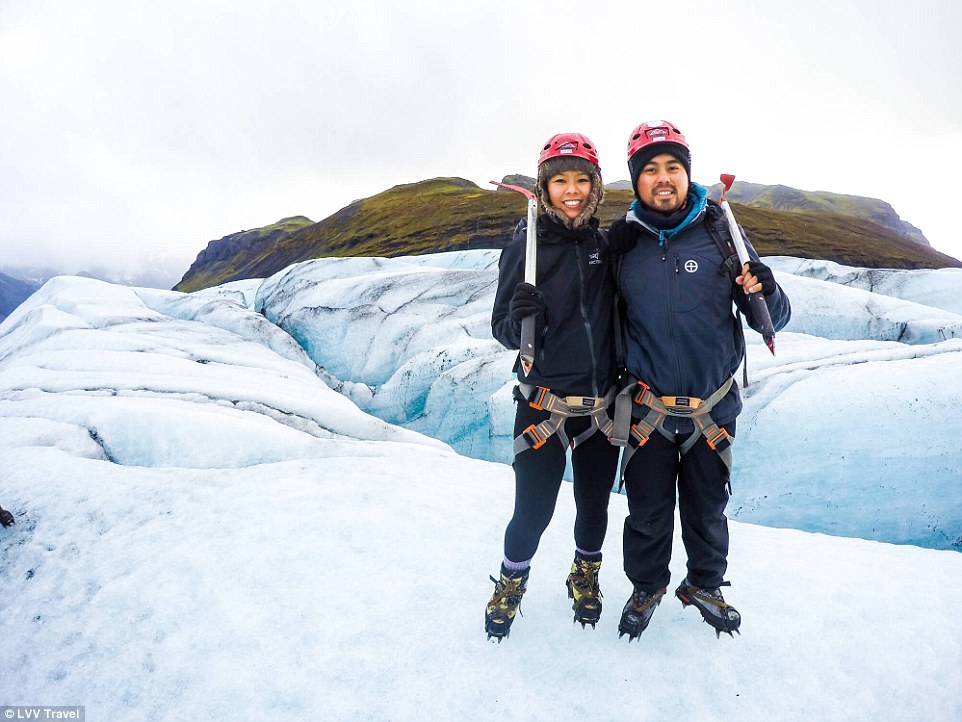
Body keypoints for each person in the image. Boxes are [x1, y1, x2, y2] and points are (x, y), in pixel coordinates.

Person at [608, 120, 791, 640]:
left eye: (673, 168)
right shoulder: (623, 246)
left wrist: (769, 290)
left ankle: (704, 584)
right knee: (646, 512)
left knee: (708, 509)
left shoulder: (720, 233)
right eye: (650, 170)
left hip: (712, 408)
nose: (663, 178)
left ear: (687, 174)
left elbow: (771, 316)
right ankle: (647, 586)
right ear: (636, 181)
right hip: (647, 410)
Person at [485, 133, 620, 641]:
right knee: (533, 510)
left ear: (596, 186)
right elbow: (501, 328)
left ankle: (584, 575)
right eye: (560, 180)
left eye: (582, 180)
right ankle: (510, 582)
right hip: (541, 407)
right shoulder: (527, 245)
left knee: (594, 506)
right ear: (544, 187)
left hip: (601, 408)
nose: (572, 190)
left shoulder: (604, 247)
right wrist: (520, 319)